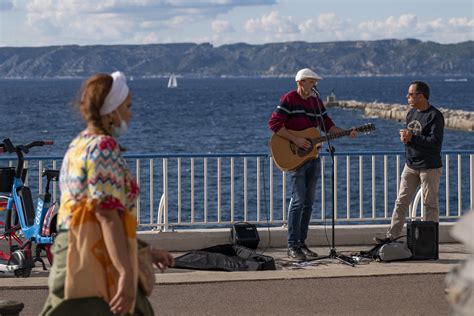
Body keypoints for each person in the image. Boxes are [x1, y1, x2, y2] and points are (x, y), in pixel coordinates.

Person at [41, 71, 174, 316]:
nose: (131, 113)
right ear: (112, 112)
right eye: (128, 106)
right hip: (95, 260)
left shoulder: (78, 144)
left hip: (73, 254)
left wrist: (143, 251)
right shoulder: (103, 148)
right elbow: (105, 215)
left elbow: (89, 216)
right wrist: (124, 271)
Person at [268, 68, 357, 260]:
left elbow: (327, 125)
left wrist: (346, 132)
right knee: (298, 201)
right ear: (301, 82)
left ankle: (302, 243)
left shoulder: (316, 102)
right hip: (295, 157)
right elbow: (274, 124)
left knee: (308, 203)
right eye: (311, 81)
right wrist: (297, 140)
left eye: (315, 82)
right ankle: (292, 245)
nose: (314, 85)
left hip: (313, 157)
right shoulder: (289, 99)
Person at [380, 80, 444, 242]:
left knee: (430, 205)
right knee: (401, 203)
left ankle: (429, 242)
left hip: (429, 167)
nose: (407, 97)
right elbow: (412, 138)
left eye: (410, 94)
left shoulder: (435, 116)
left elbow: (435, 142)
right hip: (410, 165)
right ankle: (391, 238)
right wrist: (406, 139)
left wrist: (412, 137)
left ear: (421, 96)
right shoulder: (411, 113)